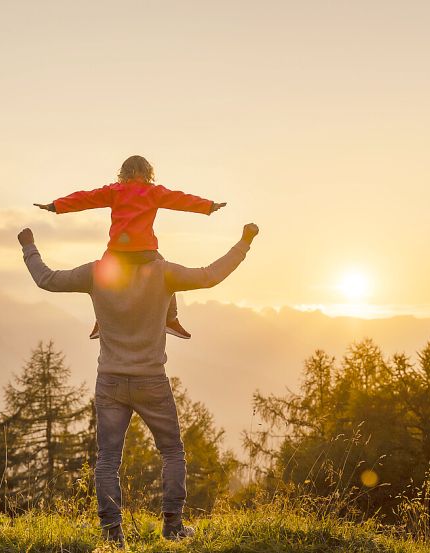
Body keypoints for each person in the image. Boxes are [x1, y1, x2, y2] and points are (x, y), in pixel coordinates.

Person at [18, 222, 259, 548]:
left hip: (111, 381)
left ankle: (112, 534)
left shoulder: (96, 272)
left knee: (108, 460)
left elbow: (46, 278)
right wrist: (244, 242)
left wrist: (29, 245)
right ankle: (173, 526)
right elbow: (209, 274)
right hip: (151, 380)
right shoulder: (162, 272)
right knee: (172, 452)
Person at [34, 155, 226, 340]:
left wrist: (56, 206)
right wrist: (208, 206)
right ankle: (171, 319)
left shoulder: (114, 191)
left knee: (102, 280)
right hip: (146, 252)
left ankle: (101, 321)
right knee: (169, 277)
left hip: (117, 252)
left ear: (124, 173)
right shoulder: (154, 192)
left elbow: (85, 198)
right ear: (148, 172)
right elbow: (181, 199)